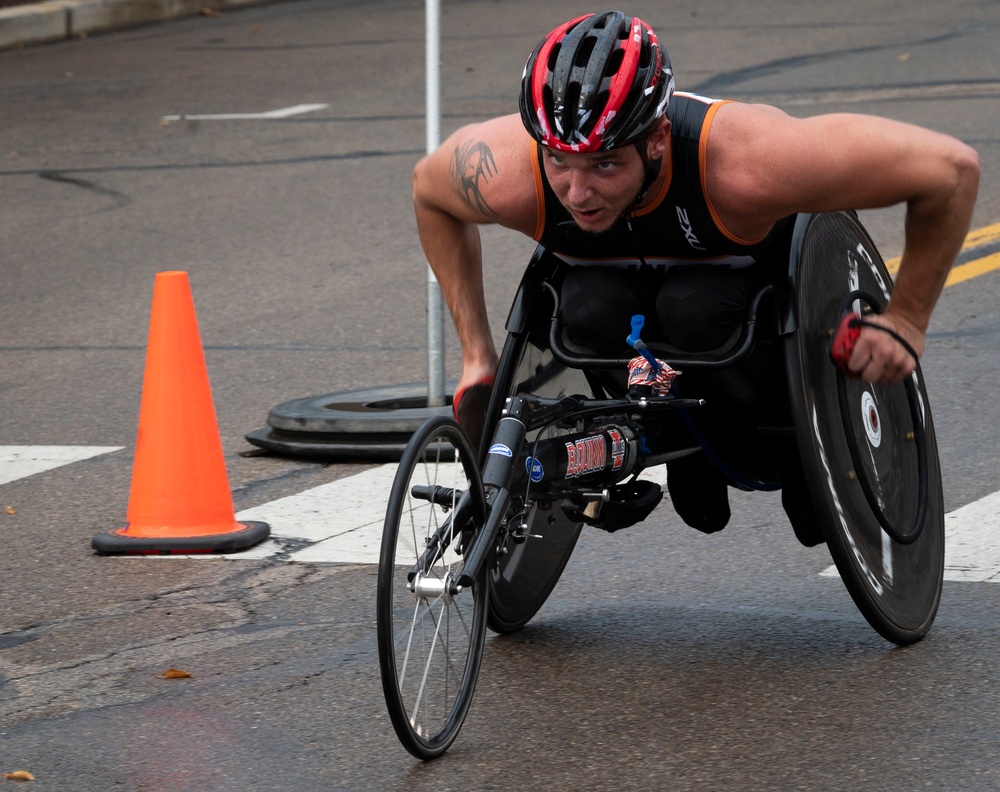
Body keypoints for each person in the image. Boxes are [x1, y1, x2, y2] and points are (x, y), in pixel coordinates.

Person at [411, 10, 979, 542]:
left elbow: (950, 171)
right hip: (631, 313)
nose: (577, 193)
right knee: (584, 311)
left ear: (656, 139)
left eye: (605, 164)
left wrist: (905, 319)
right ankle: (675, 431)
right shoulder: (512, 174)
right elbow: (429, 193)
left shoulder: (749, 164)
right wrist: (478, 358)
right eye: (559, 160)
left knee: (695, 308)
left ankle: (783, 450)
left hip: (746, 300)